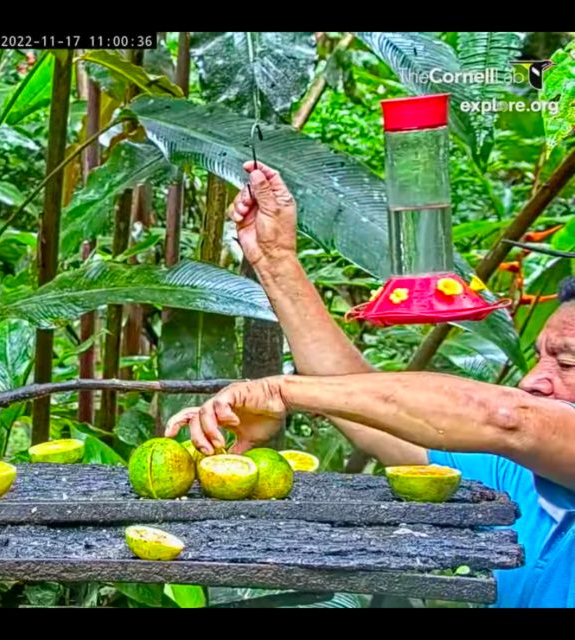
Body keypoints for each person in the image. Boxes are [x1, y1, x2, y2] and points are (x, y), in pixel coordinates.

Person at [165, 162, 574, 609]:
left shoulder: (518, 431)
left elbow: (506, 417)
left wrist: (282, 390)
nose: (535, 381)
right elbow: (382, 418)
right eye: (540, 358)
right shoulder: (515, 473)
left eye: (568, 363)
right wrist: (275, 260)